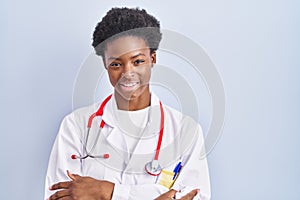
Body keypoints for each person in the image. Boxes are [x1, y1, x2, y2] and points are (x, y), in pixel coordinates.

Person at [45, 7, 211, 200]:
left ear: (152, 59)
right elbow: (57, 196)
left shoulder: (186, 131)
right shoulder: (76, 126)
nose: (127, 73)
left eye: (138, 61)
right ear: (105, 64)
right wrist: (153, 195)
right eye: (116, 64)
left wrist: (107, 192)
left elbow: (196, 197)